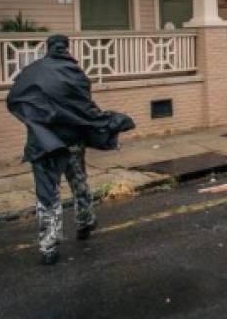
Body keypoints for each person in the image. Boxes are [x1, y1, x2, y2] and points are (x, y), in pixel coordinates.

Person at [7, 34, 134, 265]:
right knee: (78, 181)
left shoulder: (32, 72)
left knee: (47, 193)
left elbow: (14, 98)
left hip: (42, 143)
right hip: (71, 141)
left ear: (47, 48)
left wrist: (35, 119)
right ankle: (85, 221)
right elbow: (86, 108)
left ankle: (49, 246)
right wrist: (108, 122)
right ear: (66, 48)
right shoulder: (75, 73)